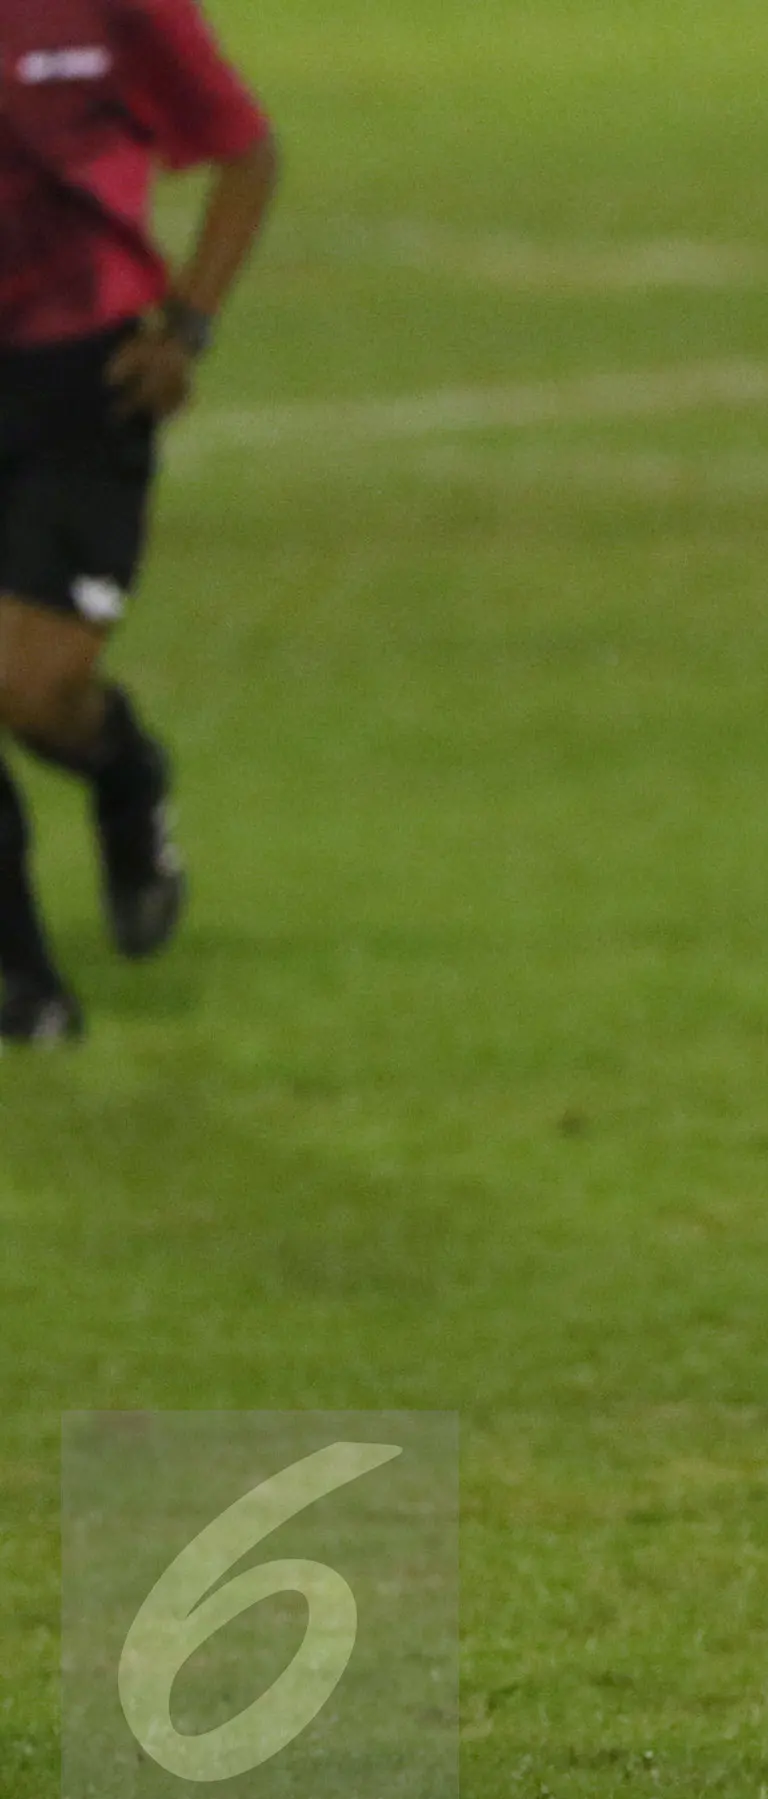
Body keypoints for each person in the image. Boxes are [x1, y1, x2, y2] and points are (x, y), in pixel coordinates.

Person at [0, 0, 277, 1045]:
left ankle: (124, 774)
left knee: (33, 689)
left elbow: (246, 153)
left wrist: (188, 328)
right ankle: (25, 982)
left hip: (82, 382)